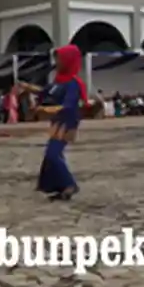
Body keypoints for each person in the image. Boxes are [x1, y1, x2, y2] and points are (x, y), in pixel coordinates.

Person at [36, 45, 86, 201]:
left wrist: (46, 111)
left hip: (66, 123)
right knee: (53, 154)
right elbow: (44, 91)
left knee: (52, 154)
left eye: (59, 58)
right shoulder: (59, 80)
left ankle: (69, 184)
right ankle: (60, 186)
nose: (56, 62)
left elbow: (68, 106)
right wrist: (25, 87)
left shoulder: (72, 83)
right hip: (57, 122)